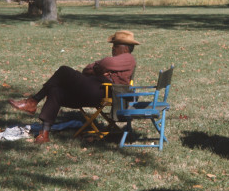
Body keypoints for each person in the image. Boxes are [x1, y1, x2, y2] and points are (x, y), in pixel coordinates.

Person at [8, 30, 139, 144]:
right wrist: (98, 67)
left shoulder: (128, 58)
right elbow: (86, 70)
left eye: (116, 46)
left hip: (101, 91)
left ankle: (33, 101)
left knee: (64, 71)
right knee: (56, 91)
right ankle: (44, 133)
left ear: (126, 48)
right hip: (92, 89)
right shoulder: (120, 60)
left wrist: (99, 66)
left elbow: (106, 63)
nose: (113, 48)